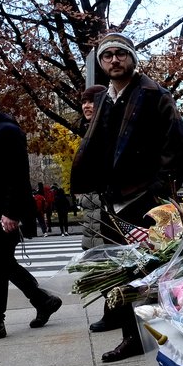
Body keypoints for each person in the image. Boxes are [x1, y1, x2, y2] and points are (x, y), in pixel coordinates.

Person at [72, 32, 183, 362]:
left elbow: (176, 144)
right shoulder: (106, 99)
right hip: (112, 200)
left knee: (150, 272)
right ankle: (131, 336)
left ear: (132, 58)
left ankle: (164, 333)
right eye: (106, 56)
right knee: (122, 270)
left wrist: (156, 186)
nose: (113, 60)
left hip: (143, 199)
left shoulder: (153, 94)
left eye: (119, 54)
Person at [0, 86, 62, 345]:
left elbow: (18, 175)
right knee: (0, 263)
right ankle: (43, 300)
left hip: (5, 213)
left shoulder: (6, 131)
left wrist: (11, 212)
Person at [76, 85, 107, 251]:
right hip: (91, 203)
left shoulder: (107, 129)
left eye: (91, 102)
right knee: (94, 253)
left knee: (104, 253)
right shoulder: (87, 130)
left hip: (102, 201)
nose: (86, 106)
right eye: (84, 102)